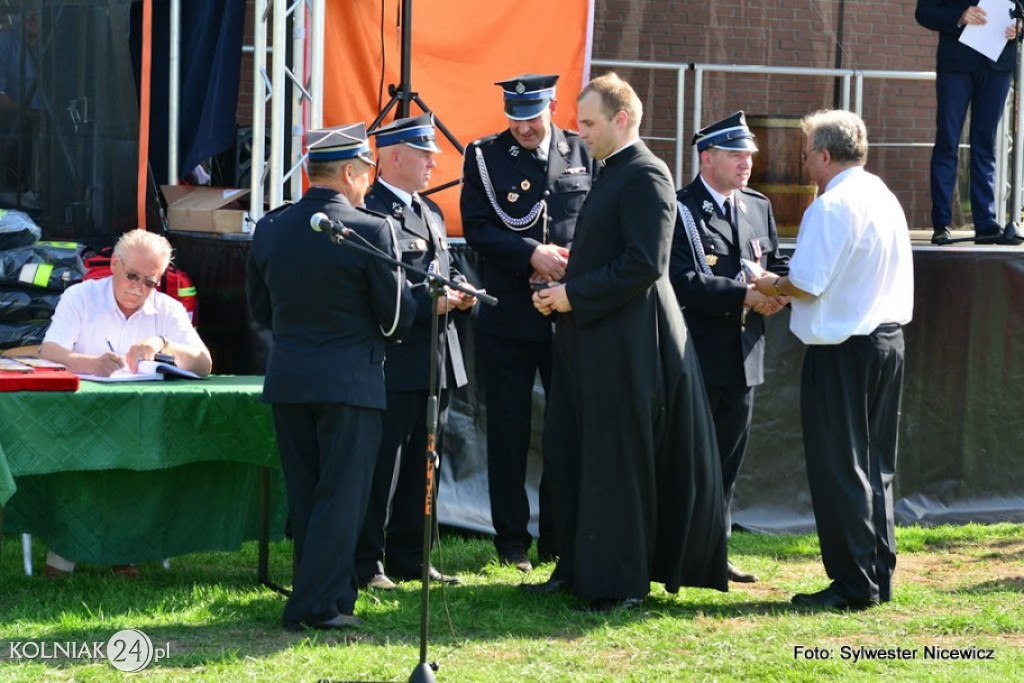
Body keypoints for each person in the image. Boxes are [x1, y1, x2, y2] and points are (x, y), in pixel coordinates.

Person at [529, 72, 728, 611]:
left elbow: (645, 263)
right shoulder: (613, 170)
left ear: (621, 120)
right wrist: (564, 286)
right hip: (594, 340)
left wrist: (574, 295)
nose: (579, 132)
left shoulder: (647, 174)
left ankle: (619, 581)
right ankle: (576, 565)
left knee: (617, 460)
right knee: (579, 452)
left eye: (589, 123)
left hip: (629, 346)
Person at [246, 122, 414, 631]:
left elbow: (262, 309)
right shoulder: (371, 228)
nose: (367, 183)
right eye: (364, 174)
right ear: (347, 172)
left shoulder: (272, 227)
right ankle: (314, 607)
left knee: (308, 492)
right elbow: (394, 317)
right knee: (342, 497)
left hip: (291, 376)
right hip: (350, 382)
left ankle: (333, 594)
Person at [754, 110, 913, 609]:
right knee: (876, 464)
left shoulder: (830, 205)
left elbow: (807, 282)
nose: (805, 164)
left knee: (840, 466)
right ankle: (876, 577)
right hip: (887, 341)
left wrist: (768, 284)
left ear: (825, 155)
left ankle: (851, 585)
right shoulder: (882, 194)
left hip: (843, 349)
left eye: (806, 155)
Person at [461, 73, 592, 572]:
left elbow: (599, 221)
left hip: (568, 315)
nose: (523, 129)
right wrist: (530, 253)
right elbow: (476, 228)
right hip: (509, 315)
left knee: (566, 428)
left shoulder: (583, 153)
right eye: (515, 120)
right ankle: (511, 539)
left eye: (532, 119)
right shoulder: (486, 156)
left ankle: (558, 534)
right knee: (509, 431)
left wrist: (571, 265)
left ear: (553, 108)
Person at [38, 228, 213, 577]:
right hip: (81, 416)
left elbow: (204, 362)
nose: (138, 287)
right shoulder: (81, 296)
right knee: (84, 463)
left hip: (140, 421)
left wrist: (162, 343)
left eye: (150, 281)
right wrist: (89, 363)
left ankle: (122, 552)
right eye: (132, 276)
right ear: (115, 265)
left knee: (136, 460)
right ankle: (65, 556)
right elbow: (50, 350)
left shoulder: (167, 308)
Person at [355, 113, 476, 590]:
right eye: (425, 154)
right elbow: (384, 290)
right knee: (386, 464)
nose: (432, 163)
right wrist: (434, 302)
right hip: (397, 359)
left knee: (427, 464)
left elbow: (438, 270)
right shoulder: (372, 212)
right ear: (395, 156)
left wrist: (460, 292)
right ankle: (370, 562)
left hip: (437, 360)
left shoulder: (430, 211)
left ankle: (411, 556)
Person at [671, 111, 789, 584]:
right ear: (707, 157)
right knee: (690, 461)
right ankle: (680, 555)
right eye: (735, 154)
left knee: (727, 463)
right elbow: (681, 281)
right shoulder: (680, 207)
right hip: (698, 355)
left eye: (749, 156)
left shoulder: (757, 205)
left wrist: (778, 293)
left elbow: (776, 261)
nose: (746, 164)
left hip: (745, 355)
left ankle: (715, 553)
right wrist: (744, 294)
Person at [916, 0, 1020, 245]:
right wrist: (960, 17)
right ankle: (942, 223)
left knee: (985, 144)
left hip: (997, 66)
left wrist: (1019, 27)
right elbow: (924, 12)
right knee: (947, 141)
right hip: (957, 65)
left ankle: (986, 223)